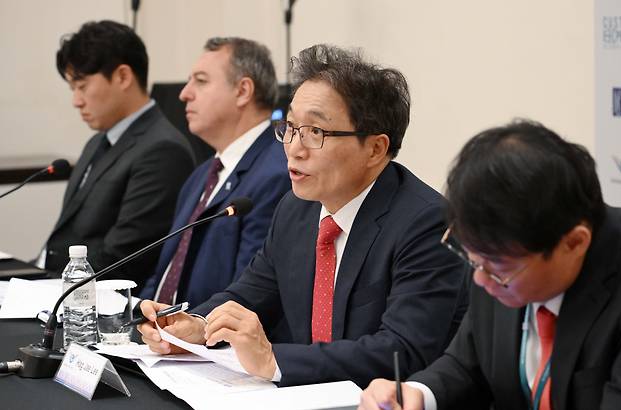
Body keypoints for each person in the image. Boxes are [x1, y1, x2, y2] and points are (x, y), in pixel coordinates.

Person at [137, 44, 469, 388]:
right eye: (291, 128)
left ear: (375, 149)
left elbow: (402, 351)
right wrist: (197, 324)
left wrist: (272, 359)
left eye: (316, 132)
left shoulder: (425, 222)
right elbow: (249, 294)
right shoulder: (295, 210)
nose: (294, 148)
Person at [359, 120, 621, 410]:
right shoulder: (492, 258)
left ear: (574, 243)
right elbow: (466, 365)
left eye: (496, 266)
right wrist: (417, 395)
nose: (480, 278)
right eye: (473, 258)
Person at [39, 20, 194, 288]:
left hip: (97, 302)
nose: (76, 100)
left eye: (82, 86)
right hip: (55, 286)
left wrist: (45, 287)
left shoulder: (163, 150)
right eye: (72, 89)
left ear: (123, 76)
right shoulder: (97, 142)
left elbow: (122, 259)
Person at [140, 37, 290, 308]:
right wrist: (141, 315)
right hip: (160, 337)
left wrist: (187, 327)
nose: (184, 93)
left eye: (200, 80)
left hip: (207, 340)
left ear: (243, 91)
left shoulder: (276, 175)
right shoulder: (199, 177)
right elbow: (164, 272)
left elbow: (250, 294)